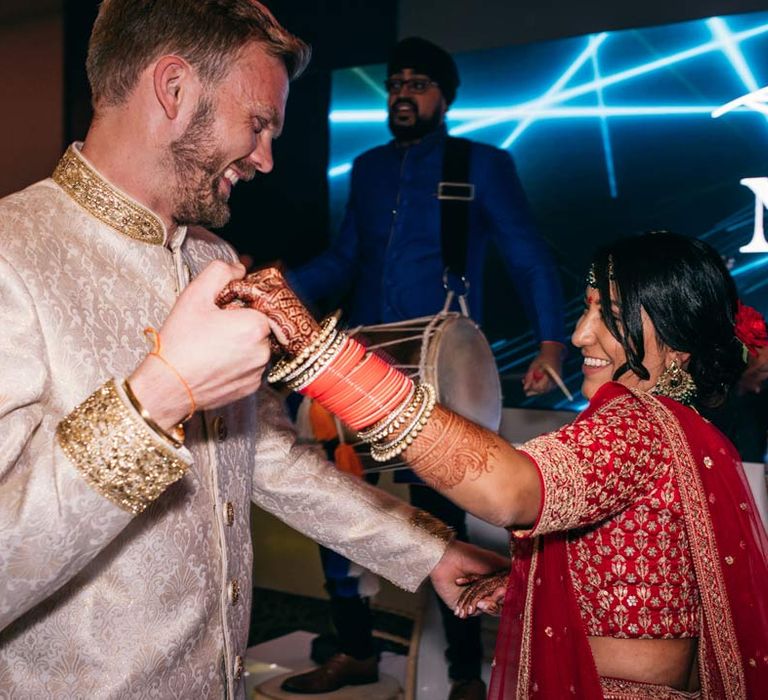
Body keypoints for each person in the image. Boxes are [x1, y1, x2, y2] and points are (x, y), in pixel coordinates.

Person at [0, 3, 509, 698]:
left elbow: (262, 455)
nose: (266, 159)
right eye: (259, 124)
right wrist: (156, 399)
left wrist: (430, 550)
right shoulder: (12, 256)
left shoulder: (209, 256)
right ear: (174, 91)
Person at [222, 231, 768, 698]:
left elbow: (507, 490)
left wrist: (323, 353)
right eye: (588, 309)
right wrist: (532, 585)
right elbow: (649, 578)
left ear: (677, 343)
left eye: (614, 317)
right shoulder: (685, 430)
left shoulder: (638, 425)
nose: (580, 335)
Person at [281, 37, 566, 700]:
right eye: (397, 83)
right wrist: (276, 285)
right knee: (337, 500)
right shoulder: (370, 167)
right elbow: (342, 261)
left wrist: (551, 343)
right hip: (361, 362)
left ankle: (465, 672)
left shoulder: (482, 164)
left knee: (443, 516)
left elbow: (527, 256)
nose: (404, 94)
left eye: (418, 84)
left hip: (439, 366)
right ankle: (354, 649)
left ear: (444, 96)